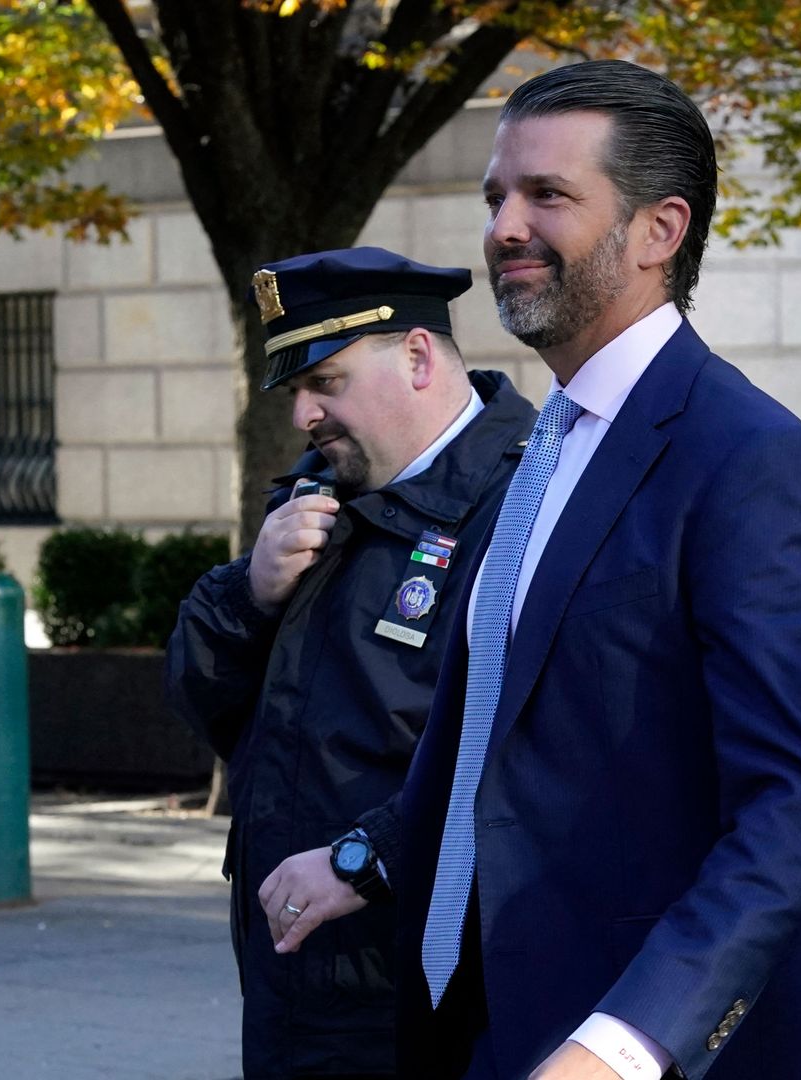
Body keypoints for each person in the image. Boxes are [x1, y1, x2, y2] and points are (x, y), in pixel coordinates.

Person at [286, 60, 801, 1080]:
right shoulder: (548, 447)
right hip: (495, 1020)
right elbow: (511, 733)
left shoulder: (748, 461)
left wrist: (625, 1046)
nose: (503, 227)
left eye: (549, 195)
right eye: (498, 196)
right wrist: (367, 859)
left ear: (658, 231)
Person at [165, 247, 536, 1078]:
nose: (303, 415)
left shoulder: (525, 503)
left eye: (324, 383)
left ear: (415, 356)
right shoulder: (316, 492)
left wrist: (367, 860)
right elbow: (205, 701)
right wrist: (249, 594)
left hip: (428, 990)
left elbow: (534, 754)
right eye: (293, 391)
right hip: (297, 978)